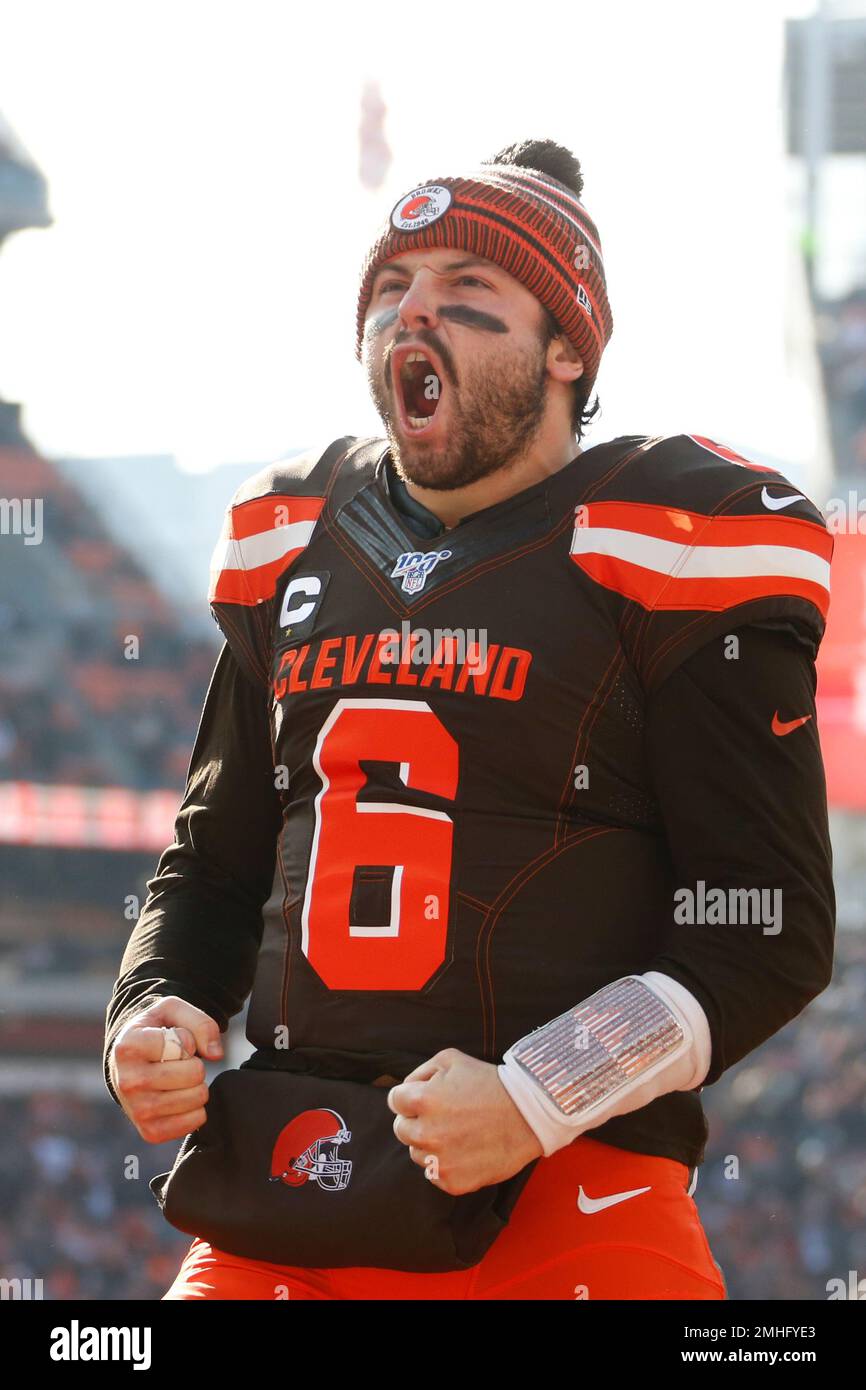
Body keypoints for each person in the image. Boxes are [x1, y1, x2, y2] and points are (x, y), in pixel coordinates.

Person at [104, 138, 835, 1300]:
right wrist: (151, 1006)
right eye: (391, 289)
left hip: (568, 1192)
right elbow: (213, 861)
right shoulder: (295, 536)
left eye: (466, 292)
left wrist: (535, 1093)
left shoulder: (662, 541)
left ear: (563, 347)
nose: (413, 315)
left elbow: (766, 928)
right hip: (287, 1184)